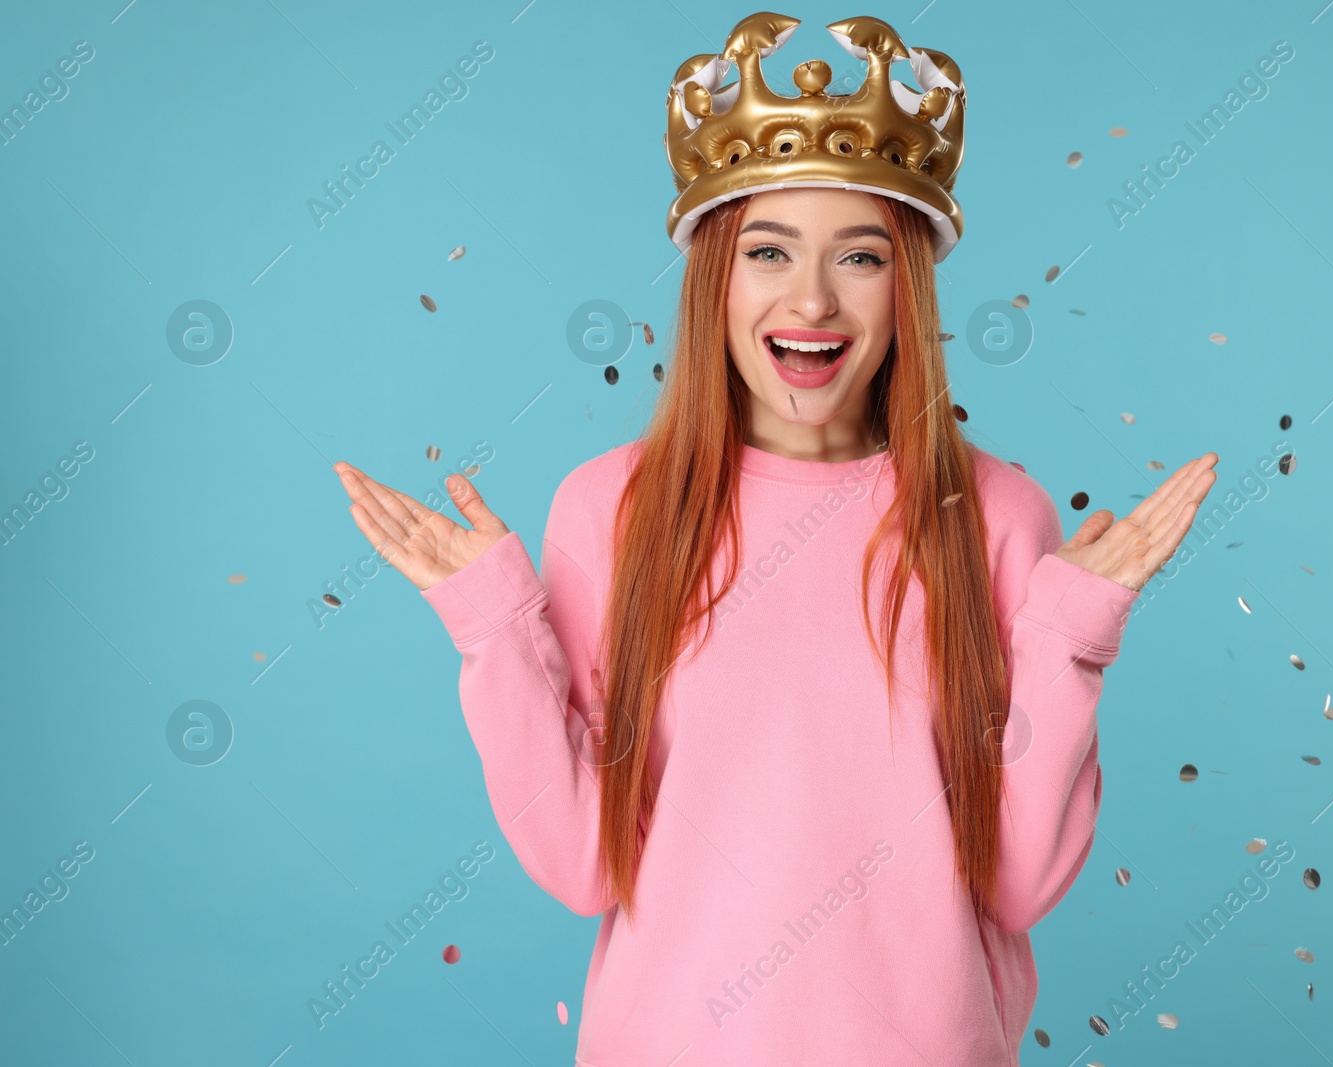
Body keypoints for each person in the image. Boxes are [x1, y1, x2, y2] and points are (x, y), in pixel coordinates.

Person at [335, 13, 1216, 1065]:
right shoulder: (612, 509)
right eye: (767, 251)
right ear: (715, 277)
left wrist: (1071, 636)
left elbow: (1017, 880)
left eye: (859, 254)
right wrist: (494, 629)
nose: (810, 297)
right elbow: (581, 862)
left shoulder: (996, 515)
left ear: (907, 288)